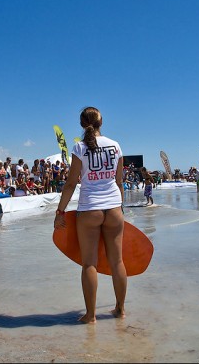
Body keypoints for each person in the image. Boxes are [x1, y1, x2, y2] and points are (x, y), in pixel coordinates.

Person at [54, 107, 126, 324]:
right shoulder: (115, 145)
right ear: (101, 122)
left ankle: (91, 316)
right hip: (113, 209)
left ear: (81, 123)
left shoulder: (79, 147)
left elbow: (70, 183)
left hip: (89, 210)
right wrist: (120, 207)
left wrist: (60, 211)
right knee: (117, 262)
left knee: (89, 264)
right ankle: (120, 311)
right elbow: (119, 181)